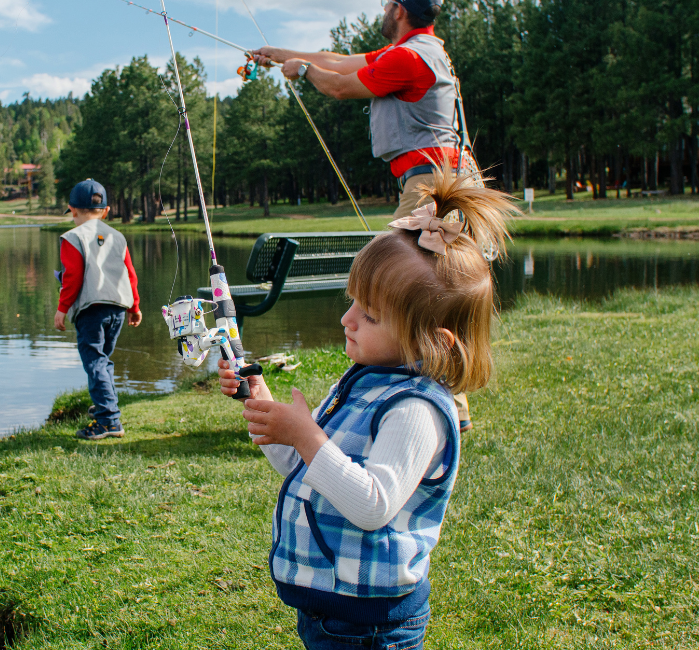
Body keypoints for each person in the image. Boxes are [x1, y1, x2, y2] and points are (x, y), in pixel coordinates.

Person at [218, 169, 516, 649]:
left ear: (432, 341)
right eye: (351, 301)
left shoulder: (417, 411)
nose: (347, 320)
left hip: (370, 624)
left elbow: (372, 505)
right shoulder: (366, 380)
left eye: (370, 315)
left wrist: (307, 436)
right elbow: (306, 466)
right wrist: (262, 400)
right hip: (334, 608)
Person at [250, 0, 474, 430]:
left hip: (431, 182)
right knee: (428, 287)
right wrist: (279, 54)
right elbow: (338, 60)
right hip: (440, 178)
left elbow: (339, 83)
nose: (385, 9)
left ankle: (416, 394)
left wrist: (304, 72)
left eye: (390, 3)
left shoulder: (409, 57)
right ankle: (449, 401)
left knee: (393, 281)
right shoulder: (418, 49)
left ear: (401, 10)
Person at [55, 179, 142, 441]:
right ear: (106, 211)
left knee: (94, 362)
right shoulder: (118, 236)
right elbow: (130, 274)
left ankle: (108, 420)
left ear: (72, 210)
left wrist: (62, 308)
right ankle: (105, 406)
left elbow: (73, 277)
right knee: (102, 360)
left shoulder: (73, 237)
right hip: (117, 308)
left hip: (91, 310)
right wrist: (135, 306)